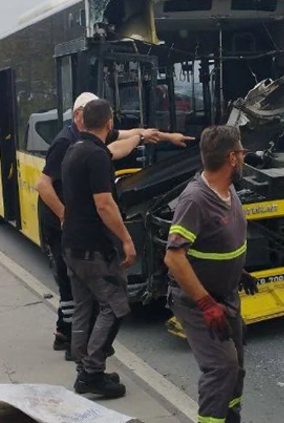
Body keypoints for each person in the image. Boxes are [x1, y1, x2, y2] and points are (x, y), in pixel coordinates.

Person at [36, 92, 193, 358]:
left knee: (84, 301)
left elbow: (127, 139)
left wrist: (164, 137)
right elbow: (95, 202)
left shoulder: (83, 146)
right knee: (108, 303)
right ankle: (87, 361)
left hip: (75, 236)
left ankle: (79, 357)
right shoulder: (68, 144)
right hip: (67, 229)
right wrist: (67, 217)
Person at [164, 125, 259, 423]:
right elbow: (174, 257)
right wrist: (205, 304)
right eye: (241, 152)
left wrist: (237, 270)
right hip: (198, 302)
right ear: (232, 158)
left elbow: (218, 240)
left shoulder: (228, 189)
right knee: (221, 367)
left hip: (227, 295)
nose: (243, 158)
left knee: (236, 367)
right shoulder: (195, 200)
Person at [61, 98, 136, 398]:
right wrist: (127, 240)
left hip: (72, 244)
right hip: (93, 248)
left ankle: (85, 367)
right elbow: (104, 204)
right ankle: (92, 372)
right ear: (109, 122)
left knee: (84, 306)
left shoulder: (74, 150)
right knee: (115, 306)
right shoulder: (96, 156)